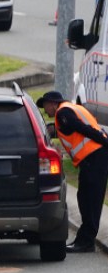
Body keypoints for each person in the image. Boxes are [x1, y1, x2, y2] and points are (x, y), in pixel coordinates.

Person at [37, 91, 108, 252]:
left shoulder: (63, 112)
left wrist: (105, 141)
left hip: (94, 157)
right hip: (94, 157)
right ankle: (85, 239)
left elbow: (84, 129)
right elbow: (69, 129)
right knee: (86, 197)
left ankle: (86, 241)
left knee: (90, 199)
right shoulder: (69, 109)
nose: (45, 110)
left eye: (46, 106)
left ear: (53, 103)